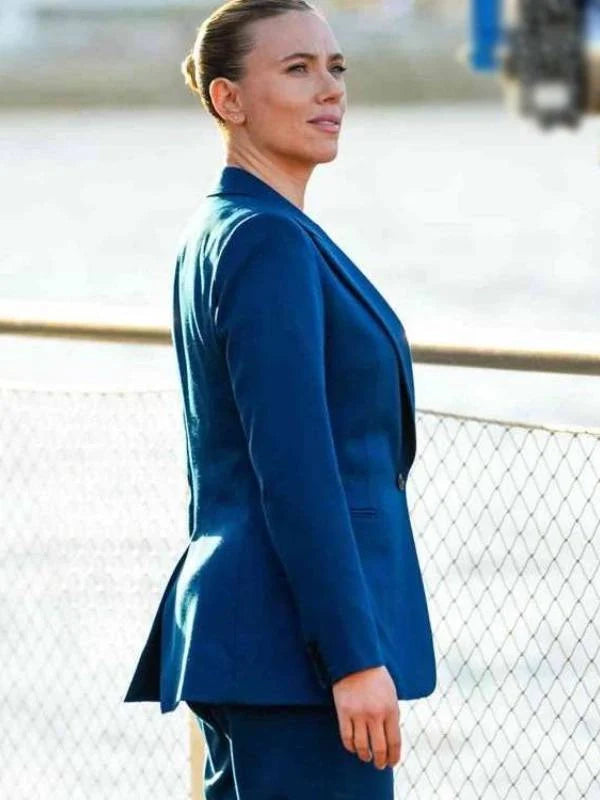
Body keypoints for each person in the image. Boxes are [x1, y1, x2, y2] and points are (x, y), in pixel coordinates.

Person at [124, 1, 437, 797]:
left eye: (336, 68)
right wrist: (353, 657)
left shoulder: (226, 226)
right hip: (294, 661)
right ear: (228, 99)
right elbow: (294, 471)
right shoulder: (265, 240)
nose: (329, 89)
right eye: (297, 69)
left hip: (251, 644)